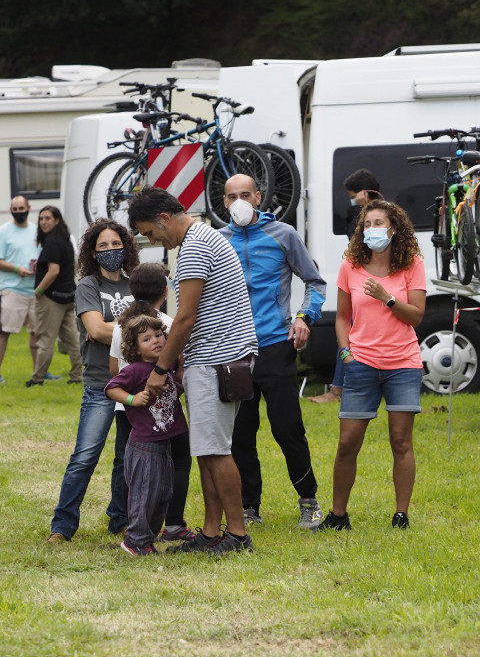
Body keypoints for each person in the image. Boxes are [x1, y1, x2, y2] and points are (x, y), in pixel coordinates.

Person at [129, 186, 258, 555]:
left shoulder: (195, 248)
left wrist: (161, 369)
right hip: (218, 357)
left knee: (216, 450)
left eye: (152, 232)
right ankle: (210, 531)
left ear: (165, 218)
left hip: (217, 359)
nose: (154, 240)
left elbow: (184, 318)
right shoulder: (203, 238)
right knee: (206, 450)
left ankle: (236, 535)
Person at [219, 174, 326, 530]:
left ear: (258, 197)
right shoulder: (218, 241)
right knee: (241, 434)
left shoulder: (283, 234)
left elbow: (314, 283)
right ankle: (249, 507)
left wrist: (303, 317)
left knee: (287, 429)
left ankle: (309, 501)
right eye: (231, 196)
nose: (239, 201)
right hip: (234, 351)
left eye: (245, 194)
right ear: (224, 203)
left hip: (275, 346)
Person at [317, 199, 425, 532]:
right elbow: (343, 317)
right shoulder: (351, 264)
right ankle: (338, 515)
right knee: (347, 442)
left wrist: (387, 297)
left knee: (401, 441)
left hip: (403, 364)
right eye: (367, 224)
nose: (372, 229)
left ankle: (401, 515)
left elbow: (417, 315)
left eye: (379, 223)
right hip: (361, 363)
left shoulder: (412, 264)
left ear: (395, 229)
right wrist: (346, 353)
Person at [47, 219, 139, 543]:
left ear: (126, 247)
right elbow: (96, 330)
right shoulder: (87, 285)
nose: (111, 250)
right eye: (103, 246)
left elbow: (110, 329)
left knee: (127, 457)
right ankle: (62, 526)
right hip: (100, 382)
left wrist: (107, 327)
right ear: (92, 252)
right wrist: (132, 329)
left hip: (133, 382)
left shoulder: (135, 284)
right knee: (85, 456)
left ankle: (121, 520)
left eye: (116, 244)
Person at [109, 264, 193, 543]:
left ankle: (126, 521)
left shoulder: (121, 325)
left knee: (127, 467)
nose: (156, 340)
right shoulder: (166, 324)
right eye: (148, 340)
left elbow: (112, 368)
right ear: (165, 291)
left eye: (157, 338)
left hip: (127, 413)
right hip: (152, 417)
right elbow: (179, 366)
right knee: (167, 468)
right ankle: (169, 524)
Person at [309, 168, 382, 405]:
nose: (351, 199)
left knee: (348, 332)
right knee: (349, 331)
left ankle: (338, 389)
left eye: (353, 195)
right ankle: (340, 387)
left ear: (363, 193)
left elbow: (355, 237)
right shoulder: (381, 213)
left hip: (370, 287)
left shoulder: (377, 216)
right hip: (366, 284)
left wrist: (358, 209)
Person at [26, 205, 82, 387]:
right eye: (41, 219)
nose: (43, 222)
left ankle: (37, 378)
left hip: (51, 299)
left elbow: (53, 271)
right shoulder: (65, 240)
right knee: (73, 340)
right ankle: (77, 376)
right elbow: (73, 267)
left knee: (45, 339)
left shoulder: (51, 242)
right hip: (68, 296)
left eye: (48, 218)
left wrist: (38, 291)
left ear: (57, 220)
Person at [0, 195, 40, 383]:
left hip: (34, 291)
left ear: (29, 207)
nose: (19, 212)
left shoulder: (37, 230)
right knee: (3, 331)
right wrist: (17, 269)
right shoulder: (3, 231)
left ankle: (38, 373)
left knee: (36, 333)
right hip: (10, 289)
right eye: (15, 209)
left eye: (21, 208)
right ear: (11, 209)